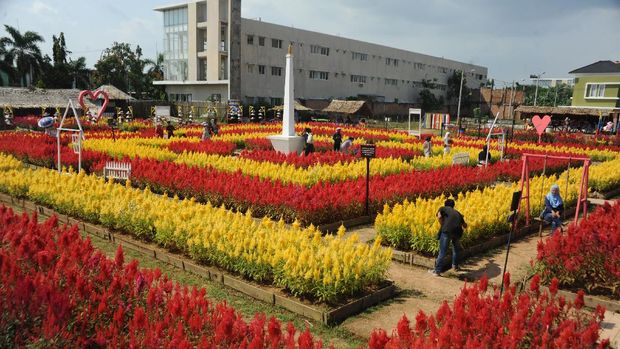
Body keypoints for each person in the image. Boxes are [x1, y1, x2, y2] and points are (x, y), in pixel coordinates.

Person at [430, 199, 467, 276]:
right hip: (458, 232)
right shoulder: (458, 213)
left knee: (442, 251)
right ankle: (455, 267)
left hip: (447, 231)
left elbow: (439, 216)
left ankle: (437, 271)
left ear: (445, 204)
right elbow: (465, 225)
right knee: (456, 250)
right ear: (453, 206)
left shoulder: (443, 208)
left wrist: (442, 224)